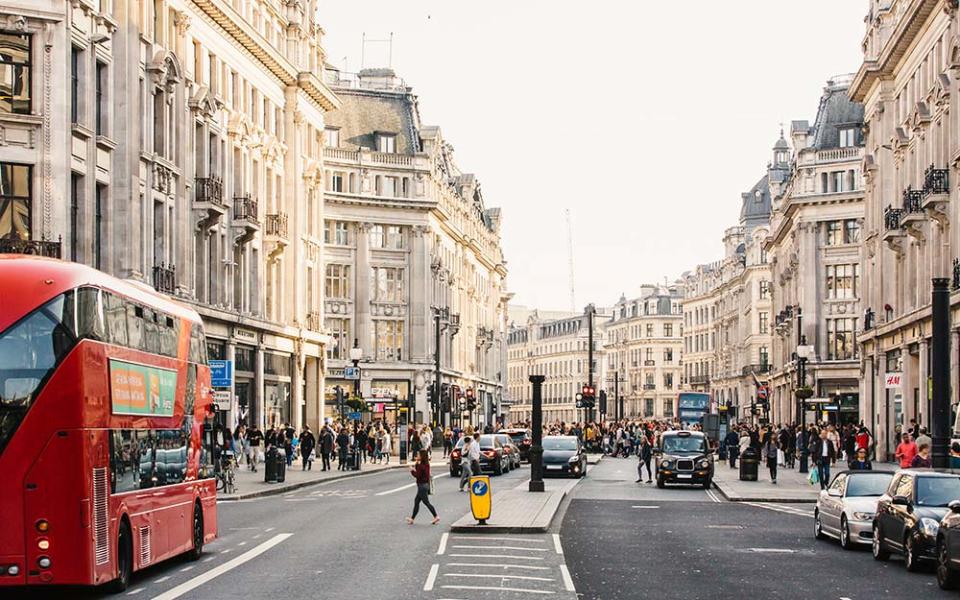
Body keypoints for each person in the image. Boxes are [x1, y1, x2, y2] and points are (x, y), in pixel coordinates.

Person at [406, 450, 440, 525]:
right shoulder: (426, 464)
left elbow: (417, 476)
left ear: (422, 456)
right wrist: (417, 464)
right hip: (425, 485)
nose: (417, 456)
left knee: (426, 502)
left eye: (418, 455)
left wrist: (412, 470)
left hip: (422, 486)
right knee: (416, 501)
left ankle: (436, 516)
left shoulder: (421, 466)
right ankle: (412, 519)